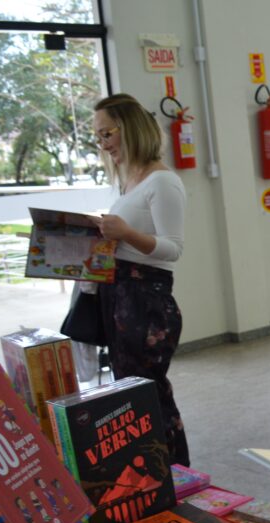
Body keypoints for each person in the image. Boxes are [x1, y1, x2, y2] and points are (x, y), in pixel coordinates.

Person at [90, 94, 189, 466]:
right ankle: (148, 473)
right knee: (129, 391)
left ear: (130, 128)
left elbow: (173, 249)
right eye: (98, 137)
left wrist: (125, 232)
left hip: (146, 301)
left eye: (107, 134)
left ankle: (174, 473)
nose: (103, 144)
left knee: (148, 393)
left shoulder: (162, 182)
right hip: (119, 295)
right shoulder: (130, 183)